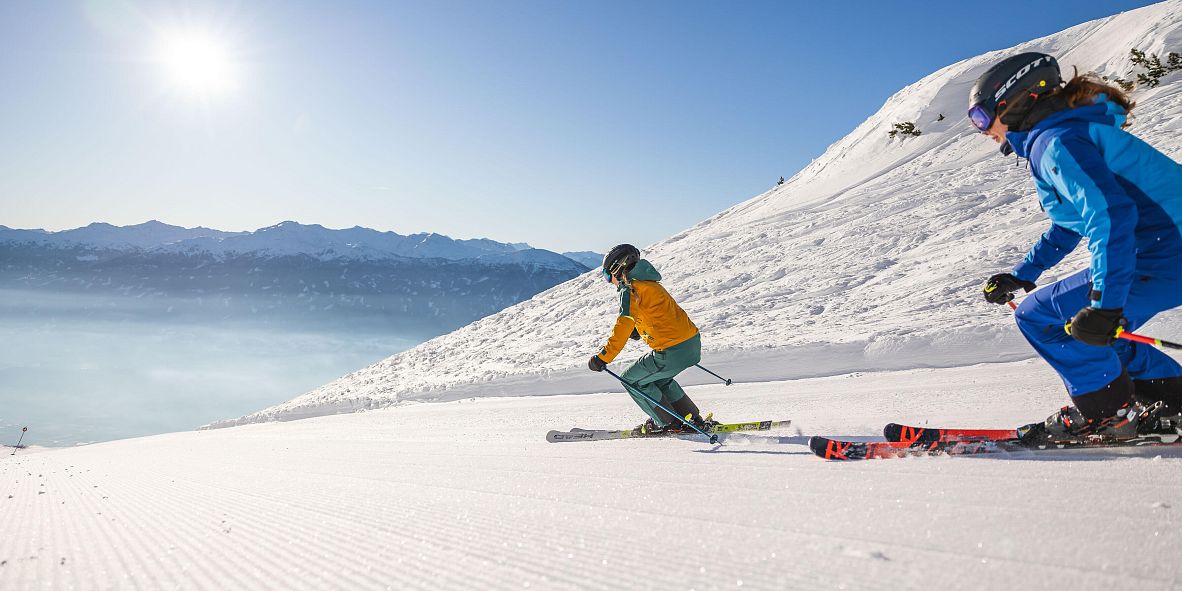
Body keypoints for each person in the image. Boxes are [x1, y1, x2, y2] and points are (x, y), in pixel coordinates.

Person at [968, 52, 1182, 443]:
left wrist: (1104, 304)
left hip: (1165, 255)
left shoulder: (1058, 141)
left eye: (981, 118)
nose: (982, 131)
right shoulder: (1063, 135)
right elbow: (1069, 225)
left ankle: (1109, 412)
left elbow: (1111, 217)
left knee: (1038, 317)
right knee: (1095, 332)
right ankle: (1172, 400)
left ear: (1015, 100)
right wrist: (1022, 275)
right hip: (1164, 255)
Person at [587, 244, 709, 434]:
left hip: (672, 351)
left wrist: (603, 357)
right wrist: (639, 329)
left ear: (617, 269)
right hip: (691, 344)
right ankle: (691, 418)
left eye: (606, 275)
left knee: (631, 380)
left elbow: (624, 322)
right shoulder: (649, 283)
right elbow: (659, 314)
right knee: (660, 380)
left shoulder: (630, 288)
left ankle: (667, 423)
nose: (608, 281)